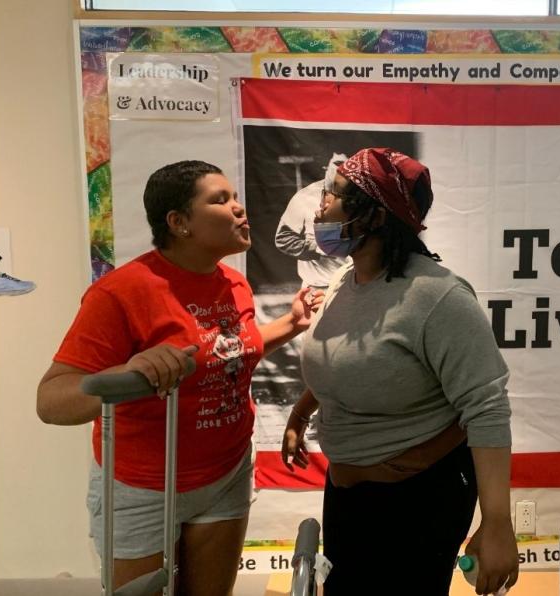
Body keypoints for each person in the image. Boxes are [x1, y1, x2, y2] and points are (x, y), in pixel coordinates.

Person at [36, 160, 321, 596]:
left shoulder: (231, 282)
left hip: (224, 476)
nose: (239, 208)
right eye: (220, 200)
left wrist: (291, 324)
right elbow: (51, 401)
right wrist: (129, 372)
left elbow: (225, 351)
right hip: (143, 485)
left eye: (235, 197)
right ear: (179, 222)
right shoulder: (121, 293)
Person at [280, 148, 519, 596]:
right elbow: (348, 361)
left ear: (373, 215)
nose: (320, 204)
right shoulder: (343, 281)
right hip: (348, 493)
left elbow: (486, 409)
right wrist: (300, 414)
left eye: (334, 194)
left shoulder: (438, 298)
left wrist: (499, 523)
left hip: (419, 498)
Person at [274, 152, 350, 289]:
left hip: (354, 287)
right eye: (337, 164)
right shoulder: (305, 196)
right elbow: (283, 238)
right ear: (326, 169)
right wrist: (317, 248)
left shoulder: (364, 198)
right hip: (317, 287)